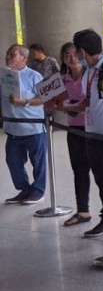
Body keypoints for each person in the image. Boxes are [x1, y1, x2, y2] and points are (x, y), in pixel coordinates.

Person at [73, 29, 103, 238]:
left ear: (82, 51)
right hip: (93, 131)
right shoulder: (89, 69)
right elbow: (89, 100)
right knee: (101, 179)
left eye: (76, 51)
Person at [2, 44, 47, 204]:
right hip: (12, 129)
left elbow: (45, 98)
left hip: (33, 128)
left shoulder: (35, 76)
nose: (8, 57)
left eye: (12, 54)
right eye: (7, 54)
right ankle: (24, 189)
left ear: (24, 57)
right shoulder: (3, 76)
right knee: (13, 161)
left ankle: (38, 191)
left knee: (38, 162)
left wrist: (25, 102)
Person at [55, 42, 92, 226]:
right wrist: (76, 107)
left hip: (94, 130)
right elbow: (57, 104)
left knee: (102, 173)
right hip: (74, 130)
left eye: (75, 54)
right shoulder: (62, 80)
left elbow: (92, 104)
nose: (72, 58)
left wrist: (72, 106)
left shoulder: (91, 76)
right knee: (79, 171)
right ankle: (83, 210)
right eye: (66, 55)